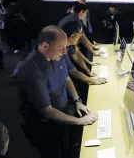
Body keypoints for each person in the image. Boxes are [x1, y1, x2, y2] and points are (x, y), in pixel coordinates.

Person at [12, 25, 98, 158]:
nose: (65, 52)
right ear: (45, 46)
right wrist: (80, 121)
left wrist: (77, 101)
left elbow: (66, 77)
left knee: (71, 147)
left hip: (62, 109)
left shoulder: (58, 55)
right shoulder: (32, 71)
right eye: (61, 48)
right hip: (45, 125)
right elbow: (47, 111)